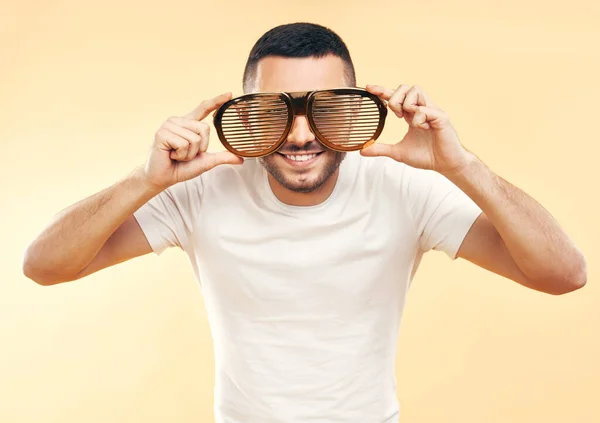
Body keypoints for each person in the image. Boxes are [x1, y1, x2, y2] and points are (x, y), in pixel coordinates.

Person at [23, 22, 587, 423]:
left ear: (355, 104)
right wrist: (144, 181)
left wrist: (462, 166)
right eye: (274, 109)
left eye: (323, 107)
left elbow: (563, 274)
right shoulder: (200, 188)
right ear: (241, 109)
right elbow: (44, 267)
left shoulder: (404, 186)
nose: (298, 135)